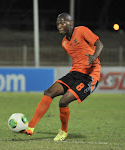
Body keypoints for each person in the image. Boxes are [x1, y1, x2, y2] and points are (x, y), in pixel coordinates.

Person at [23, 12, 104, 141]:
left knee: (63, 101)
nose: (59, 26)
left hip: (89, 76)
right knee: (49, 92)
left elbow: (99, 44)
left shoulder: (81, 30)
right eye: (57, 23)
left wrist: (94, 57)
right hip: (74, 73)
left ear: (70, 23)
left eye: (62, 23)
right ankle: (30, 127)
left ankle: (63, 131)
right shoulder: (64, 43)